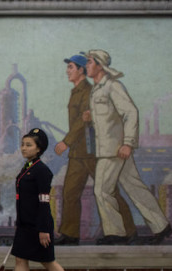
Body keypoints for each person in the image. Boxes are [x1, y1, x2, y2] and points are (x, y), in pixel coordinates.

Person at [83, 49, 172, 245]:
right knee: (134, 187)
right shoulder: (97, 89)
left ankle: (116, 233)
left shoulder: (113, 86)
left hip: (114, 150)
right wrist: (90, 119)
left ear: (100, 65)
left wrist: (128, 143)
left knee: (102, 190)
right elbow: (108, 119)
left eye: (89, 62)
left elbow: (131, 112)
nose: (86, 66)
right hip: (109, 148)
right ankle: (161, 226)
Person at [54, 54, 136, 245]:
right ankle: (70, 234)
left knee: (109, 191)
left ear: (81, 70)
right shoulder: (76, 91)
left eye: (71, 67)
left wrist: (66, 141)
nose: (67, 71)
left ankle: (128, 231)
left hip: (92, 151)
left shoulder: (88, 92)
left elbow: (82, 121)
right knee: (70, 193)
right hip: (78, 153)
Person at [0, 128, 79, 271]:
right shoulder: (28, 168)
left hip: (38, 225)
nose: (23, 148)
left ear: (39, 149)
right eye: (23, 144)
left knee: (48, 261)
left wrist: (43, 229)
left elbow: (44, 202)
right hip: (25, 224)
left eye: (29, 145)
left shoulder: (42, 171)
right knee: (20, 260)